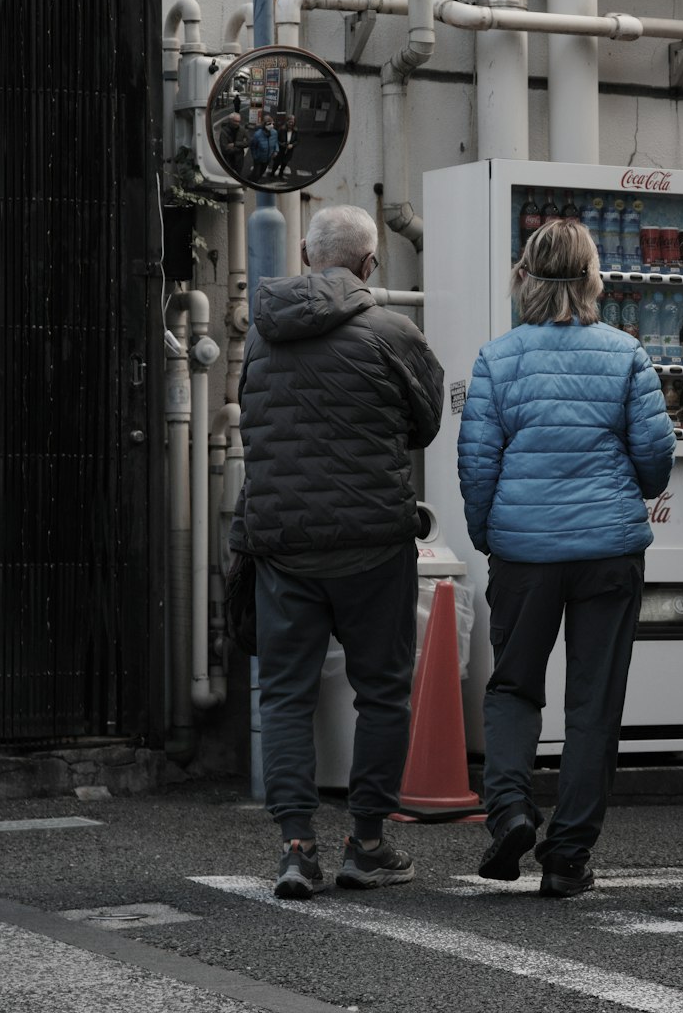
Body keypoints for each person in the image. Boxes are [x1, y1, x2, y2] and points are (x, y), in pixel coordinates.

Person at [231, 205, 444, 899]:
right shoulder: (392, 332)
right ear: (370, 265)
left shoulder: (262, 339)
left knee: (285, 697)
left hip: (283, 544)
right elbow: (426, 424)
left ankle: (296, 848)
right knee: (380, 692)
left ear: (304, 253)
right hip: (372, 545)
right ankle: (368, 843)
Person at [458, 218, 675, 898]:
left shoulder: (498, 358)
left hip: (523, 551)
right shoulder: (627, 354)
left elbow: (477, 466)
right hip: (609, 550)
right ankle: (568, 856)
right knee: (593, 704)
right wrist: (631, 492)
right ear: (591, 278)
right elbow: (655, 461)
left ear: (524, 275)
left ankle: (511, 813)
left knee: (514, 686)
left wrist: (490, 534)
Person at [215, 111, 249, 179]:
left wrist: (235, 144)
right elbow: (225, 149)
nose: (237, 123)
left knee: (238, 176)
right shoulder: (224, 132)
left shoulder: (242, 130)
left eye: (238, 121)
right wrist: (240, 148)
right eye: (235, 121)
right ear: (230, 121)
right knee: (228, 176)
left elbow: (248, 142)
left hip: (239, 160)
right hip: (228, 160)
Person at [249, 115, 279, 180]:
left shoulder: (275, 133)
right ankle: (252, 181)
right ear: (264, 124)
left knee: (262, 171)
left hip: (268, 158)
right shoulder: (257, 134)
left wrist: (276, 150)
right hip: (258, 158)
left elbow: (276, 142)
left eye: (272, 123)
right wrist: (255, 156)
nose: (271, 125)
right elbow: (253, 146)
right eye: (269, 124)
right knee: (256, 172)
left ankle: (254, 179)